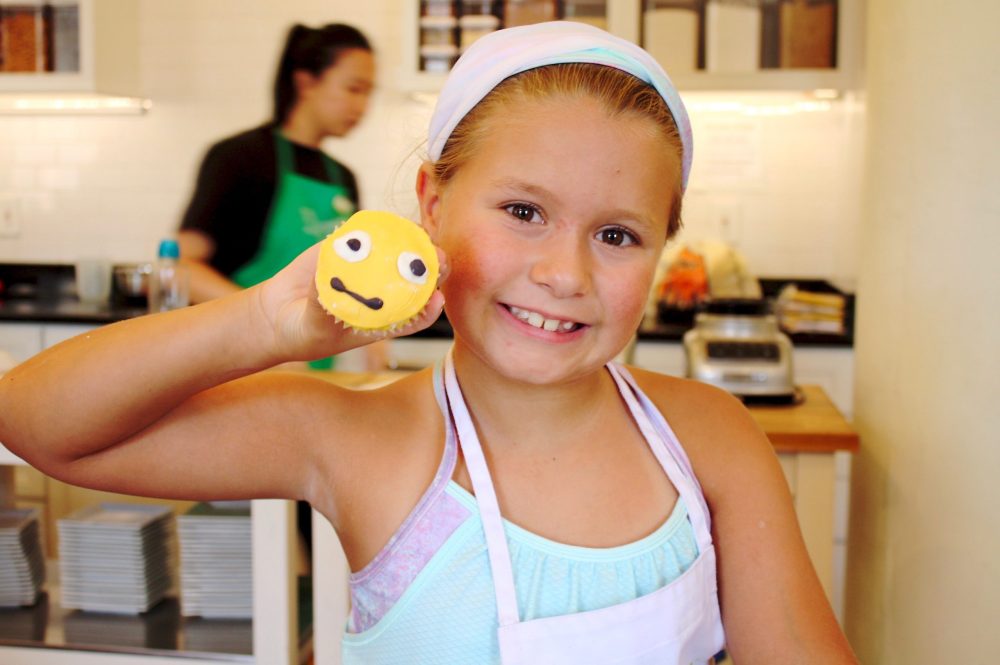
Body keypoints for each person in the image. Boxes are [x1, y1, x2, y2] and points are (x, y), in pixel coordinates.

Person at [0, 21, 858, 664]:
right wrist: (263, 322)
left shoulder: (709, 438)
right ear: (433, 206)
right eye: (524, 211)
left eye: (618, 235)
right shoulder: (357, 439)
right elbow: (36, 422)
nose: (564, 272)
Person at [177, 22, 385, 371]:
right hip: (234, 363)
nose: (362, 106)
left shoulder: (343, 178)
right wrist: (265, 324)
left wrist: (378, 328)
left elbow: (349, 275)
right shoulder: (238, 158)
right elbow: (183, 265)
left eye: (368, 93)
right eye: (353, 89)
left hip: (313, 368)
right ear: (306, 82)